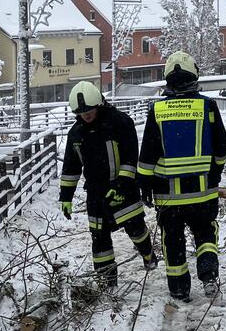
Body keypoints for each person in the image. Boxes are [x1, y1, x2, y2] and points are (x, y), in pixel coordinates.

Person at [137, 52, 226, 302]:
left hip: (169, 197)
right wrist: (216, 171)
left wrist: (144, 183)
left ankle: (179, 289)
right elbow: (221, 145)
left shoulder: (157, 109)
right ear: (194, 76)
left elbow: (148, 152)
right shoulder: (207, 106)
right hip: (203, 192)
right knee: (206, 234)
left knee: (173, 243)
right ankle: (208, 274)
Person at [60, 82, 157, 287]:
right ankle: (107, 282)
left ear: (99, 103)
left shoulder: (120, 123)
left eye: (89, 110)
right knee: (100, 239)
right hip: (96, 193)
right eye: (81, 112)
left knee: (135, 229)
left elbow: (131, 158)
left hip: (124, 189)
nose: (86, 115)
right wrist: (65, 197)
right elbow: (71, 167)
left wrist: (121, 184)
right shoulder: (76, 134)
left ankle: (148, 254)